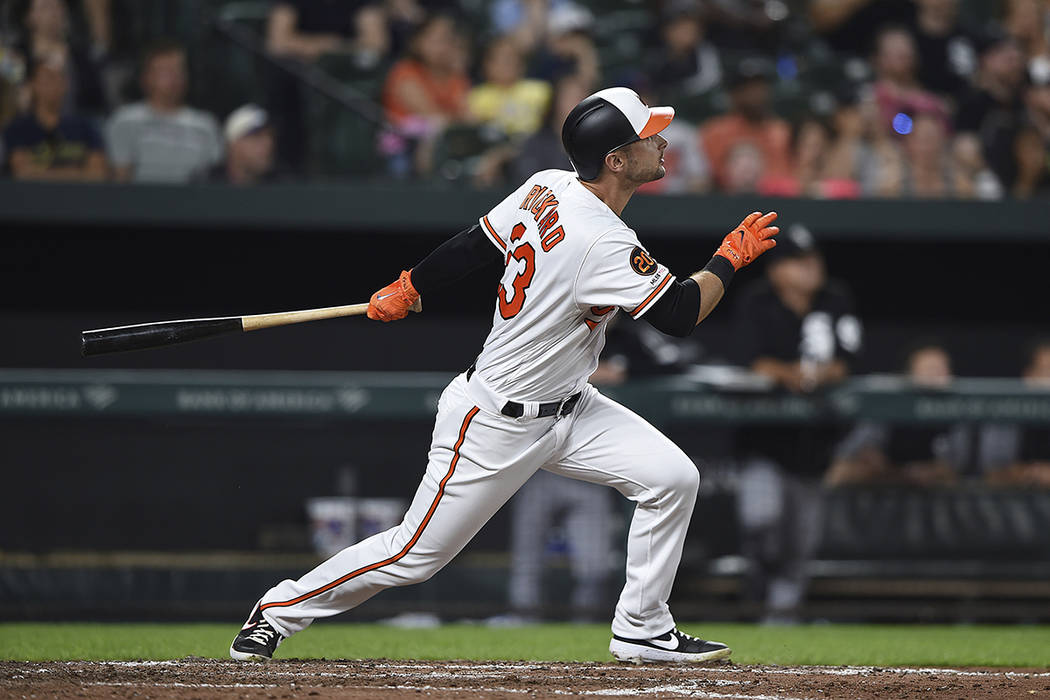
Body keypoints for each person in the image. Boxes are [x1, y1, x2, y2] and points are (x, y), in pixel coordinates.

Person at [230, 86, 780, 664]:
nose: (662, 141)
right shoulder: (603, 239)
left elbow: (472, 247)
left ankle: (642, 627)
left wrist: (414, 282)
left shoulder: (549, 183)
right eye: (649, 136)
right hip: (496, 418)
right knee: (414, 556)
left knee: (672, 479)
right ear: (616, 160)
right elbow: (681, 314)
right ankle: (276, 611)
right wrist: (729, 259)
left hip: (572, 404)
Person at [731, 224, 862, 622]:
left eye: (813, 259)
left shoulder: (836, 298)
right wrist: (795, 377)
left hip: (814, 445)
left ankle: (779, 627)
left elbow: (848, 360)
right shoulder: (756, 300)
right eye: (798, 262)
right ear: (777, 270)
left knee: (799, 547)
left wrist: (818, 376)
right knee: (760, 520)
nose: (810, 268)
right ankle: (755, 579)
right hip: (764, 444)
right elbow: (752, 361)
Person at [826, 343, 965, 487]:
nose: (934, 377)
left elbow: (961, 473)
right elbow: (841, 467)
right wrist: (896, 472)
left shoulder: (958, 414)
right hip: (882, 496)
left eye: (940, 369)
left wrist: (933, 471)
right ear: (909, 374)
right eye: (928, 369)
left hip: (938, 499)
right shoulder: (887, 410)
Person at [105, 40, 222, 183]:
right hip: (139, 202)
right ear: (145, 78)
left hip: (193, 202)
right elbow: (121, 179)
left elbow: (213, 179)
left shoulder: (205, 124)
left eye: (179, 70)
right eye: (165, 72)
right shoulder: (125, 121)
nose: (174, 78)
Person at [2, 54, 106, 181]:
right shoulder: (17, 128)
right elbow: (22, 172)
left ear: (66, 85)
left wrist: (40, 172)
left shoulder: (85, 126)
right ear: (33, 84)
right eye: (49, 78)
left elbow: (97, 173)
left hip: (78, 198)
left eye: (60, 78)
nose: (55, 84)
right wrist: (76, 173)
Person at [700, 57, 791, 192]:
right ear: (734, 94)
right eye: (747, 88)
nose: (755, 94)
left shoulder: (782, 132)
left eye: (760, 87)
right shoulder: (715, 132)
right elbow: (708, 180)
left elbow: (789, 177)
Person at [468, 36, 551, 139]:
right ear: (487, 66)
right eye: (500, 59)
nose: (506, 64)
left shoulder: (540, 90)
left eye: (511, 58)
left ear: (521, 64)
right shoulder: (478, 96)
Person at [214, 104, 278, 185]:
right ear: (233, 144)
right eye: (257, 136)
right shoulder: (206, 185)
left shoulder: (283, 187)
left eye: (270, 136)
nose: (268, 143)